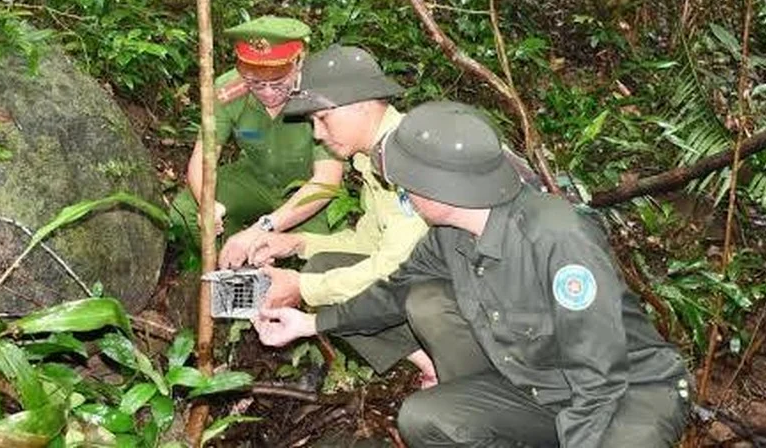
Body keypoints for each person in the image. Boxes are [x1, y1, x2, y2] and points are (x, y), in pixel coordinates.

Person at [254, 101, 692, 447]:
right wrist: (309, 323)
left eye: (406, 184)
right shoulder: (450, 235)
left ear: (440, 188)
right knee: (425, 419)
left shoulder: (558, 238)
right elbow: (392, 292)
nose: (402, 193)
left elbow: (600, 379)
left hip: (630, 392)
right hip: (543, 387)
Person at [238, 44, 437, 384]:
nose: (317, 133)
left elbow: (393, 268)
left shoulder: (407, 159)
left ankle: (450, 364)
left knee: (326, 284)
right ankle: (431, 364)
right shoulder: (374, 157)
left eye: (323, 118)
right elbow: (368, 241)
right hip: (431, 279)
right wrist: (294, 243)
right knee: (324, 269)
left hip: (472, 292)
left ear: (359, 105)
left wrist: (302, 287)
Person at [168, 16, 344, 267]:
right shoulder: (227, 90)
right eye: (256, 83)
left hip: (306, 190)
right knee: (185, 211)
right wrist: (209, 205)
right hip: (255, 178)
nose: (268, 92)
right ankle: (237, 272)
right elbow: (202, 160)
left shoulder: (321, 93)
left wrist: (265, 227)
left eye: (278, 82)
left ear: (298, 61)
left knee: (325, 261)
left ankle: (279, 270)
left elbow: (327, 182)